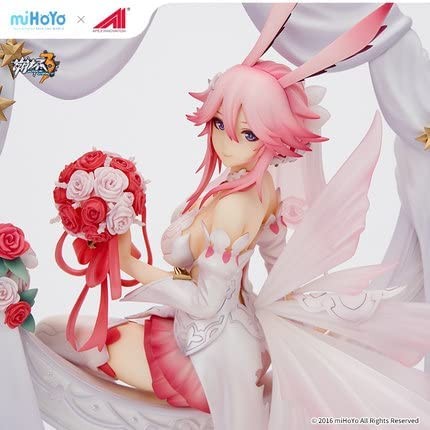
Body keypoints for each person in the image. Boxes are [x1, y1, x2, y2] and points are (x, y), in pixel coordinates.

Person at [36, 4, 430, 429]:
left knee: (56, 334)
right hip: (237, 338)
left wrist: (130, 264)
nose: (226, 142)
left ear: (276, 139)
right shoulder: (257, 186)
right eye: (220, 123)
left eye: (248, 133)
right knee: (62, 335)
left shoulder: (233, 205)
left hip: (205, 354)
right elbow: (278, 259)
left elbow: (205, 301)